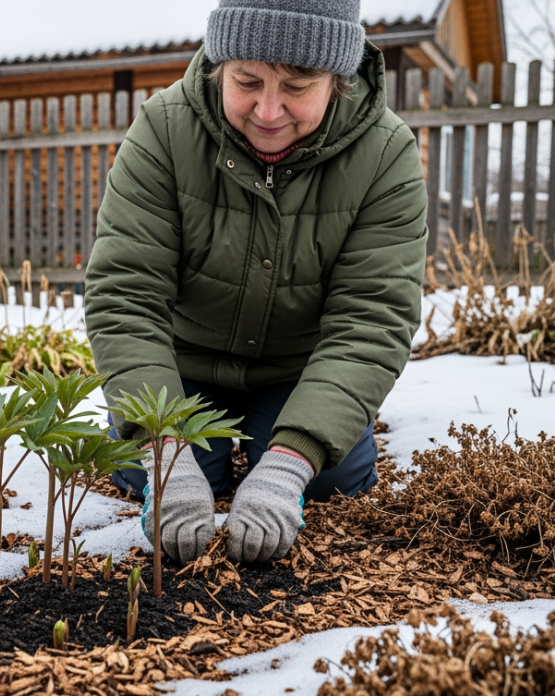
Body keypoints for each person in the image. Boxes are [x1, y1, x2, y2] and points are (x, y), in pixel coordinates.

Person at [85, 0, 428, 565]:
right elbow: (126, 293)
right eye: (247, 81)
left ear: (337, 80)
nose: (269, 111)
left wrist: (291, 462)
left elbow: (372, 317)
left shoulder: (385, 154)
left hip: (298, 371)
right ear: (221, 66)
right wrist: (162, 447)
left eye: (298, 86)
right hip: (185, 364)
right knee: (159, 469)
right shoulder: (164, 129)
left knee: (331, 479)